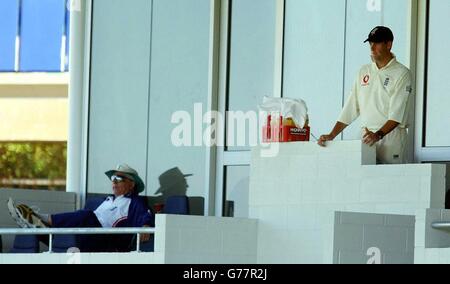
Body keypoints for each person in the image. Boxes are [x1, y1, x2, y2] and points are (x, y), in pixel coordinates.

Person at [318, 26, 413, 164]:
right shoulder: (364, 71)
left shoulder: (402, 73)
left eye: (377, 42)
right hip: (366, 136)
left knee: (390, 181)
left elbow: (397, 114)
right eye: (370, 43)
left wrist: (378, 135)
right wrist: (332, 135)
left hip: (391, 138)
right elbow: (351, 108)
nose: (372, 47)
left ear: (388, 44)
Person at [7, 163, 154, 252]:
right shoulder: (107, 200)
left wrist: (146, 225)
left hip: (108, 242)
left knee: (87, 216)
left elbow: (146, 214)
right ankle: (35, 225)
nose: (114, 182)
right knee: (65, 231)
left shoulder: (135, 201)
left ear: (132, 184)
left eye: (119, 178)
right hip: (90, 235)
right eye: (112, 179)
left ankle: (41, 218)